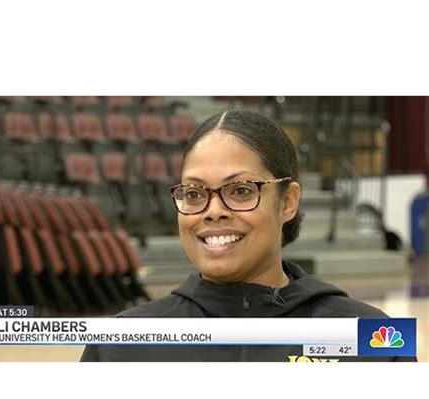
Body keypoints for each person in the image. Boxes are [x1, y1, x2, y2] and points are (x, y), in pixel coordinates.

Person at [81, 110, 413, 362]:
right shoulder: (120, 345)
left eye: (240, 190)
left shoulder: (374, 339)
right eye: (194, 193)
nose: (213, 211)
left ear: (288, 202)